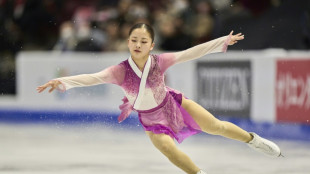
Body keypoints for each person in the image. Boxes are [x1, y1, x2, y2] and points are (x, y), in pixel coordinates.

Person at [37, 23, 282, 174]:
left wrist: (222, 42)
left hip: (173, 103)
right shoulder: (120, 70)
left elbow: (190, 53)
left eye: (143, 41)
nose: (137, 44)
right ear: (128, 42)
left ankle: (253, 140)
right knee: (167, 149)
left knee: (215, 126)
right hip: (151, 118)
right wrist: (63, 82)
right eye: (133, 40)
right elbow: (94, 77)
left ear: (151, 45)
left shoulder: (160, 61)